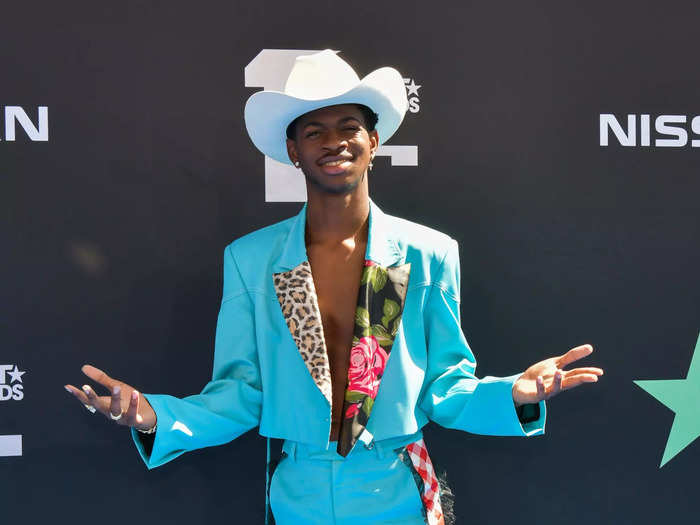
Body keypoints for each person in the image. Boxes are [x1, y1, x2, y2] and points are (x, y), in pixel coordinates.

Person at [65, 50, 603, 525]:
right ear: (293, 150)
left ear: (373, 140)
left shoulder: (429, 253)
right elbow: (240, 395)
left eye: (348, 126)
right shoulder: (251, 260)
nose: (334, 142)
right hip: (295, 494)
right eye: (314, 131)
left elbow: (445, 389)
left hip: (399, 490)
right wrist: (155, 415)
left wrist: (516, 393)